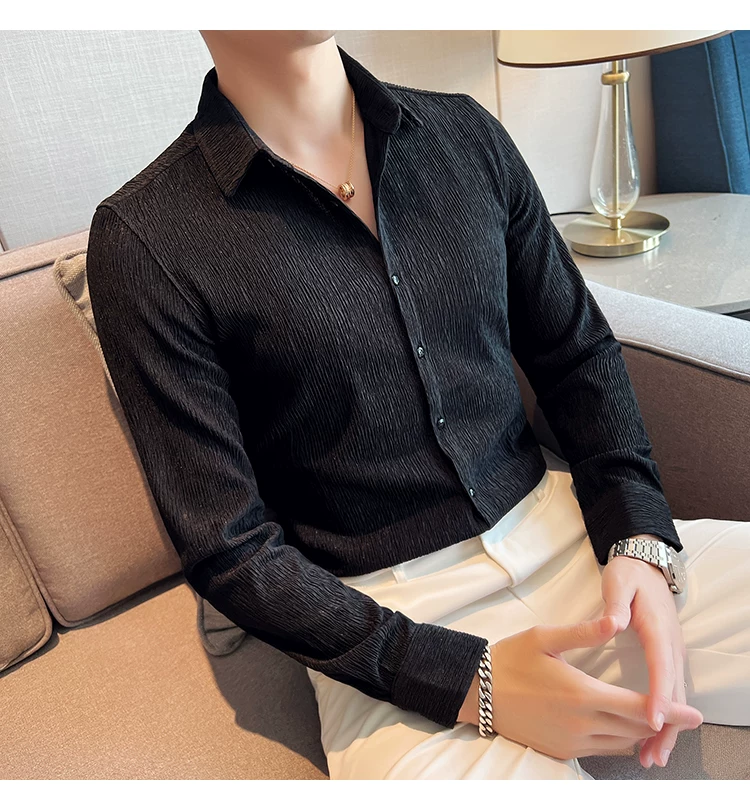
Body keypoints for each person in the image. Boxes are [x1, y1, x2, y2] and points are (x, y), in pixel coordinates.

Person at [85, 30, 749, 780]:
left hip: (575, 542)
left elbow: (575, 354)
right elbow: (230, 549)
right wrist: (469, 681)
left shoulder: (466, 135)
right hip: (385, 626)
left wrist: (638, 539)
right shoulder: (146, 238)